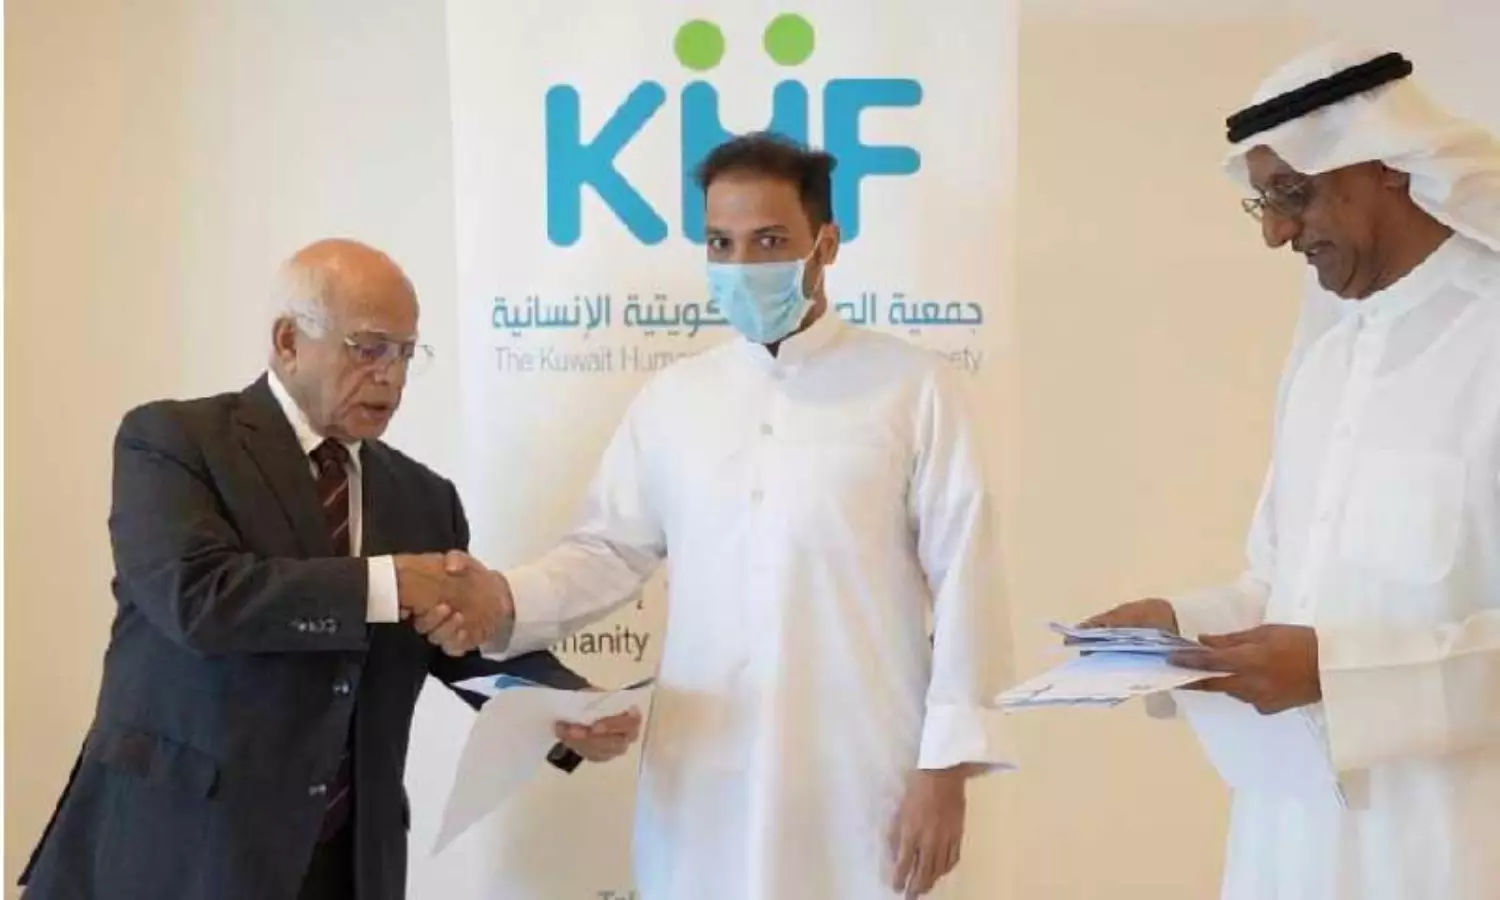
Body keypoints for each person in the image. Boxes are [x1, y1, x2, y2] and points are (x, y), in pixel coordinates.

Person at [419, 133, 1015, 899]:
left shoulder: (914, 389)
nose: (741, 265)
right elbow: (606, 551)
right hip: (702, 777)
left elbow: (968, 578)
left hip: (862, 773)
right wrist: (502, 598)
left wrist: (946, 769)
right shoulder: (675, 400)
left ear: (826, 244)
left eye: (769, 241)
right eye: (720, 243)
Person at [18, 239, 642, 900]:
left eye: (406, 353)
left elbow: (456, 644)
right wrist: (389, 583)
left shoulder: (424, 499)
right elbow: (198, 598)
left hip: (346, 865)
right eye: (369, 348)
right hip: (175, 853)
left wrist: (564, 708)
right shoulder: (174, 442)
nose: (392, 377)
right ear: (289, 341)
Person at [1084, 44, 1500, 900]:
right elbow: (1279, 584)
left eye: (1293, 194)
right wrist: (1181, 628)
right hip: (1292, 841)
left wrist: (1334, 676)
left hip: (1454, 844)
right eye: (1265, 202)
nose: (1276, 233)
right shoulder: (1325, 358)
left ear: (1388, 164)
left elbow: (1327, 649)